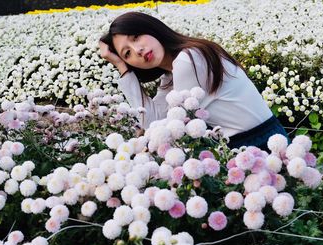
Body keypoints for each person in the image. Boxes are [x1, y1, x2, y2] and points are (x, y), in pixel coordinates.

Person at [99, 12, 289, 150]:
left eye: (136, 37)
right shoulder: (171, 74)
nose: (138, 49)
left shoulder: (188, 60)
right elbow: (150, 121)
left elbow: (172, 127)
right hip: (252, 144)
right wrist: (121, 66)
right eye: (128, 53)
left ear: (151, 28)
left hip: (261, 145)